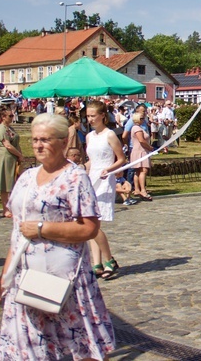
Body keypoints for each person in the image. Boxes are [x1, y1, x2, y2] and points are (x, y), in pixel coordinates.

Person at [0, 113, 115, 359]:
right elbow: (18, 228)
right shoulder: (27, 176)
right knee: (28, 344)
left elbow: (89, 228)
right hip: (25, 275)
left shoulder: (75, 177)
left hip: (64, 280)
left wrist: (43, 228)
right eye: (35, 140)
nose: (39, 145)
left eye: (46, 140)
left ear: (63, 142)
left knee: (74, 345)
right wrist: (6, 272)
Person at [85, 100, 127, 280]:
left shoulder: (110, 135)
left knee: (93, 225)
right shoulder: (89, 136)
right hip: (91, 179)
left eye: (93, 116)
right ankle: (97, 263)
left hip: (104, 179)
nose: (90, 119)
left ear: (103, 115)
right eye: (87, 116)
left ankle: (109, 260)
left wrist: (109, 170)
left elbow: (121, 159)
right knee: (90, 223)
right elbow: (90, 160)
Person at [0, 105, 24, 219]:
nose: (12, 117)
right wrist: (19, 154)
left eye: (12, 115)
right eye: (10, 116)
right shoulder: (2, 129)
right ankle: (5, 208)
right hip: (6, 157)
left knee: (13, 182)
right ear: (3, 117)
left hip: (13, 157)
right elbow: (7, 145)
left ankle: (13, 206)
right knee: (5, 184)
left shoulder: (10, 128)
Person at [129, 111, 153, 202]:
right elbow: (141, 140)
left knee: (138, 171)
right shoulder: (137, 128)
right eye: (142, 118)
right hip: (140, 151)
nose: (143, 120)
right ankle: (142, 190)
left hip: (139, 150)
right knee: (143, 170)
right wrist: (150, 147)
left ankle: (137, 189)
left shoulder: (137, 128)